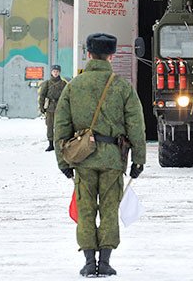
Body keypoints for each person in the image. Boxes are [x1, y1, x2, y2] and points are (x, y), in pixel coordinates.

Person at [54, 33, 147, 277]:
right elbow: (136, 126)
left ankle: (88, 262)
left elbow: (60, 126)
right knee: (109, 209)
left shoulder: (73, 86)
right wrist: (139, 160)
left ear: (88, 54)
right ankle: (104, 262)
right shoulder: (122, 87)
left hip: (82, 159)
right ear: (111, 56)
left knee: (85, 209)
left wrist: (63, 161)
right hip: (113, 159)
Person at [38, 64, 67, 152]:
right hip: (50, 108)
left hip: (60, 108)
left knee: (60, 126)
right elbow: (42, 96)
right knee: (49, 126)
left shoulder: (63, 84)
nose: (55, 73)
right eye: (54, 71)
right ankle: (51, 144)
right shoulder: (47, 83)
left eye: (57, 71)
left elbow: (67, 96)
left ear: (59, 72)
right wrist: (41, 107)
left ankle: (60, 143)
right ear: (51, 72)